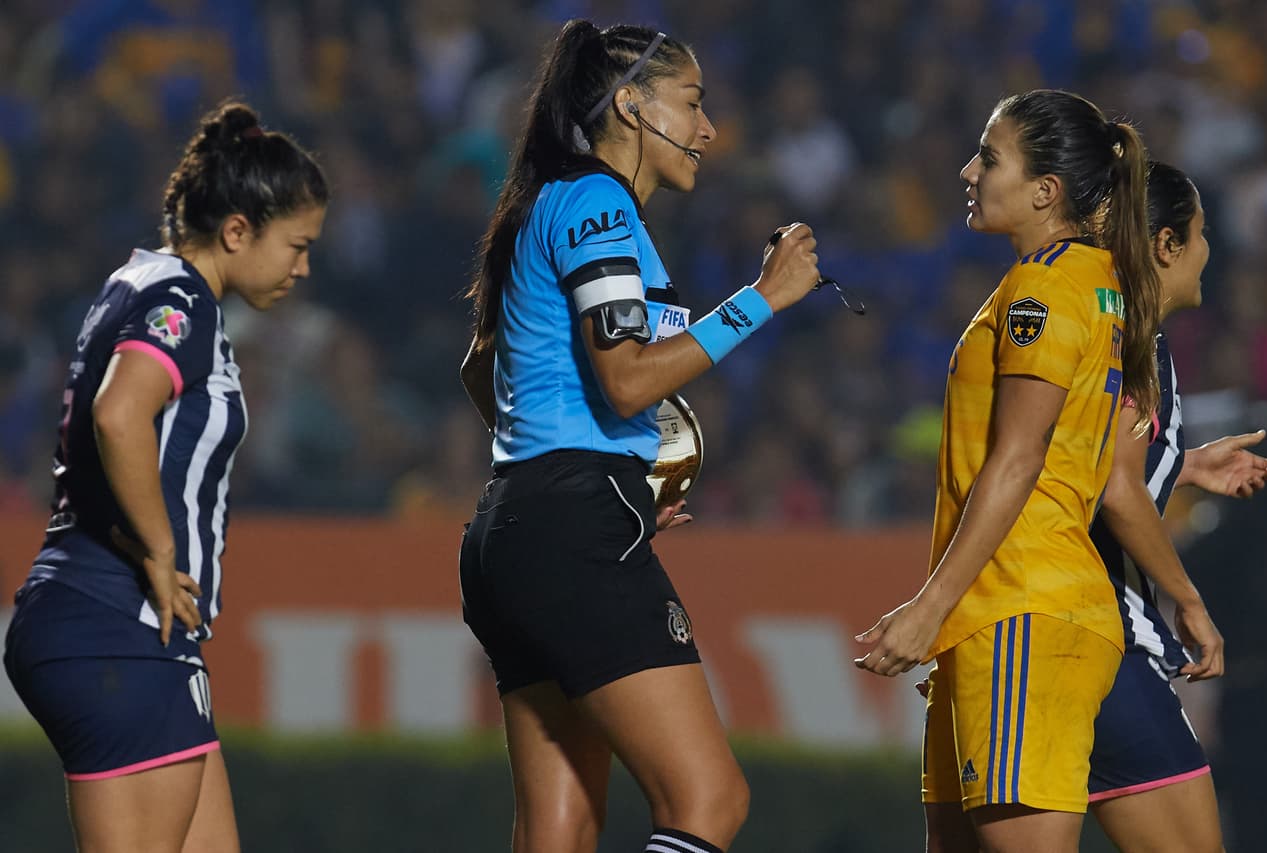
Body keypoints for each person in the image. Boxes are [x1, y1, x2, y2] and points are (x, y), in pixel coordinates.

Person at [457, 20, 821, 853]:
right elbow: (625, 378)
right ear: (631, 105)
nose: (708, 129)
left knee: (560, 826)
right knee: (708, 798)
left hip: (512, 525)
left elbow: (483, 370)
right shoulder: (598, 202)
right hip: (568, 526)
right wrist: (761, 298)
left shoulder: (544, 200)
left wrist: (589, 472)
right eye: (691, 103)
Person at [2, 101, 327, 853]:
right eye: (297, 245)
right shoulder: (184, 297)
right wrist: (157, 547)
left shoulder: (138, 279)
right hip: (116, 620)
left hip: (115, 625)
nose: (303, 267)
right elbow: (120, 414)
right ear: (238, 230)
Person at [851, 89, 1166, 853]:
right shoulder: (1093, 282)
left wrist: (928, 606)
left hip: (1020, 602)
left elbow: (1019, 456)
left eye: (989, 157)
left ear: (1045, 190)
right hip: (1015, 605)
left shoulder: (1045, 286)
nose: (968, 170)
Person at [1088, 162, 1267, 851]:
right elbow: (1114, 487)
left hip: (1065, 632)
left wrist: (1187, 465)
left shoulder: (1099, 321)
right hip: (1088, 630)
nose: (1207, 251)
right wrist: (1187, 598)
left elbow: (1089, 465)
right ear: (1166, 245)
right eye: (1198, 235)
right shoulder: (1128, 338)